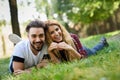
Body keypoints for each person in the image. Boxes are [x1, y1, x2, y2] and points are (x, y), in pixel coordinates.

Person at [44, 20, 109, 63]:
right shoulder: (49, 46)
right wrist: (50, 52)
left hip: (81, 51)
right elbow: (58, 65)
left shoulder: (73, 37)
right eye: (52, 32)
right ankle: (102, 42)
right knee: (94, 49)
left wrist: (70, 49)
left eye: (57, 29)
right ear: (48, 36)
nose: (56, 33)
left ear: (60, 28)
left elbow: (83, 60)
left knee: (94, 51)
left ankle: (103, 42)